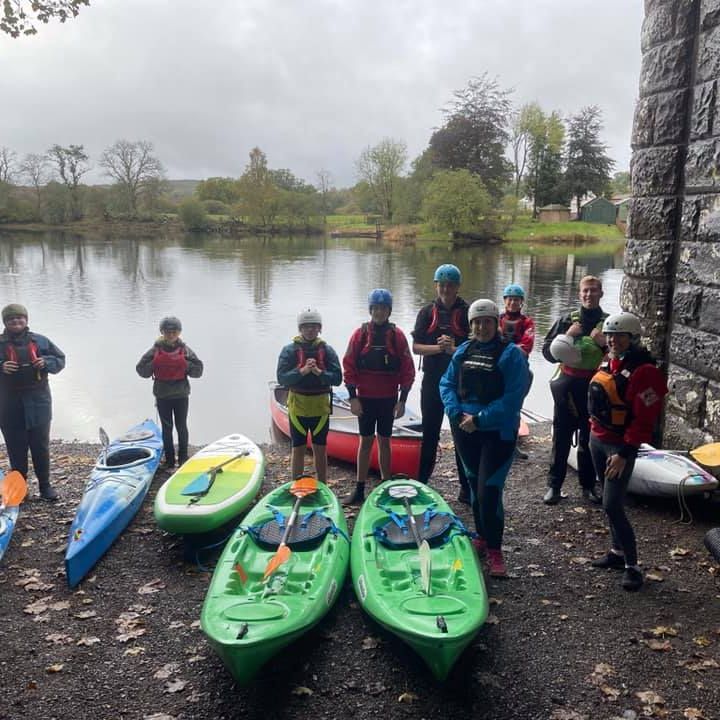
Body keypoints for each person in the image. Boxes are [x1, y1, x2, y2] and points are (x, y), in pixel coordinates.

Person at [440, 299, 528, 577]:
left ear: (496, 323)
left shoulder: (511, 355)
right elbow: (447, 384)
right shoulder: (463, 351)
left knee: (488, 491)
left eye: (487, 321)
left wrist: (480, 419)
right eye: (476, 322)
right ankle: (481, 535)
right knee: (474, 488)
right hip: (465, 430)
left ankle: (495, 550)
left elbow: (513, 398)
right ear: (471, 325)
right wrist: (455, 413)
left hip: (496, 433)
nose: (481, 327)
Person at [588, 312, 667, 592]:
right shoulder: (610, 362)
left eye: (619, 335)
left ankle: (632, 567)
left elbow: (645, 419)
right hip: (597, 439)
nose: (613, 340)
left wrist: (625, 452)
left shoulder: (644, 372)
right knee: (609, 502)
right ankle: (616, 552)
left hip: (618, 447)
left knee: (612, 504)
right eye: (610, 335)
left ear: (632, 338)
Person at [342, 288, 415, 505]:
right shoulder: (360, 334)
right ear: (370, 309)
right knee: (365, 442)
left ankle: (385, 484)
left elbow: (407, 369)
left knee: (384, 441)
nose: (379, 312)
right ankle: (359, 488)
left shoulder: (397, 336)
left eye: (384, 308)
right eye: (376, 308)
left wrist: (403, 400)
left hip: (388, 398)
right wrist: (352, 397)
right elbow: (349, 366)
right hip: (365, 399)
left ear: (389, 311)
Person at [541, 275, 608, 505]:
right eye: (585, 291)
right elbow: (547, 354)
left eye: (593, 290)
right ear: (579, 294)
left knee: (589, 440)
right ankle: (554, 486)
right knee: (561, 437)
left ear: (601, 293)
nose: (589, 295)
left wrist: (604, 344)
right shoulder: (567, 320)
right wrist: (567, 336)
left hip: (595, 389)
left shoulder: (609, 324)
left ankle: (588, 487)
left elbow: (622, 358)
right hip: (567, 387)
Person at [412, 263, 470, 500]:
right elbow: (416, 348)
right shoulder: (427, 312)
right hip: (433, 381)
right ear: (436, 285)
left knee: (461, 433)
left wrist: (452, 349)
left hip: (460, 383)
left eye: (450, 285)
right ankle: (423, 481)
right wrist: (439, 348)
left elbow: (475, 348)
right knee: (430, 432)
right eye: (442, 285)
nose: (445, 289)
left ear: (457, 287)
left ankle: (466, 488)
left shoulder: (468, 312)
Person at [0, 303, 65, 500]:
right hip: (8, 405)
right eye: (11, 319)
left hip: (39, 404)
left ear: (26, 320)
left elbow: (60, 360)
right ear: (5, 322)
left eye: (20, 318)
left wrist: (47, 363)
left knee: (41, 447)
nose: (16, 321)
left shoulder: (40, 341)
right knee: (16, 448)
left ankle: (45, 487)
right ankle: (21, 489)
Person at [276, 308, 342, 484]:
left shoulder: (327, 351)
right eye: (306, 327)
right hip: (297, 407)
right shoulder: (289, 351)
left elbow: (337, 379)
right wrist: (302, 371)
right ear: (300, 329)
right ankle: (295, 484)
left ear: (319, 328)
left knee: (320, 449)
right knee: (297, 448)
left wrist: (320, 372)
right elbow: (282, 378)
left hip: (320, 409)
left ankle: (322, 485)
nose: (310, 330)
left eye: (314, 327)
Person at [136, 316, 203, 469]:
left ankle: (180, 459)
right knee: (172, 427)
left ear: (179, 332)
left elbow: (198, 370)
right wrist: (156, 364)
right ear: (162, 332)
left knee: (179, 426)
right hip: (167, 396)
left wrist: (184, 365)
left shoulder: (180, 350)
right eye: (168, 332)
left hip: (176, 395)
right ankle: (173, 460)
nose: (171, 335)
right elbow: (141, 369)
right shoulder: (159, 350)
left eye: (174, 332)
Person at [498, 283, 535, 460]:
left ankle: (512, 446)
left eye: (516, 300)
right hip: (499, 370)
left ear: (521, 302)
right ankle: (496, 444)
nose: (513, 302)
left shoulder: (527, 322)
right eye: (510, 299)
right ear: (505, 301)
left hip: (519, 370)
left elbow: (526, 347)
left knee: (515, 408)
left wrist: (505, 347)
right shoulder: (496, 320)